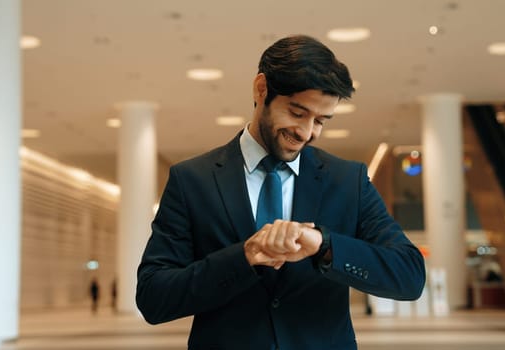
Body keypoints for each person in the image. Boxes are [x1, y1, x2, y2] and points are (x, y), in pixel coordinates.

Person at [136, 34, 426, 349]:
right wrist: (242, 258)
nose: (306, 132)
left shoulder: (348, 180)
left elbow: (409, 276)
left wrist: (325, 246)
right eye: (298, 113)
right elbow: (154, 297)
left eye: (321, 121)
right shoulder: (192, 180)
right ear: (261, 89)